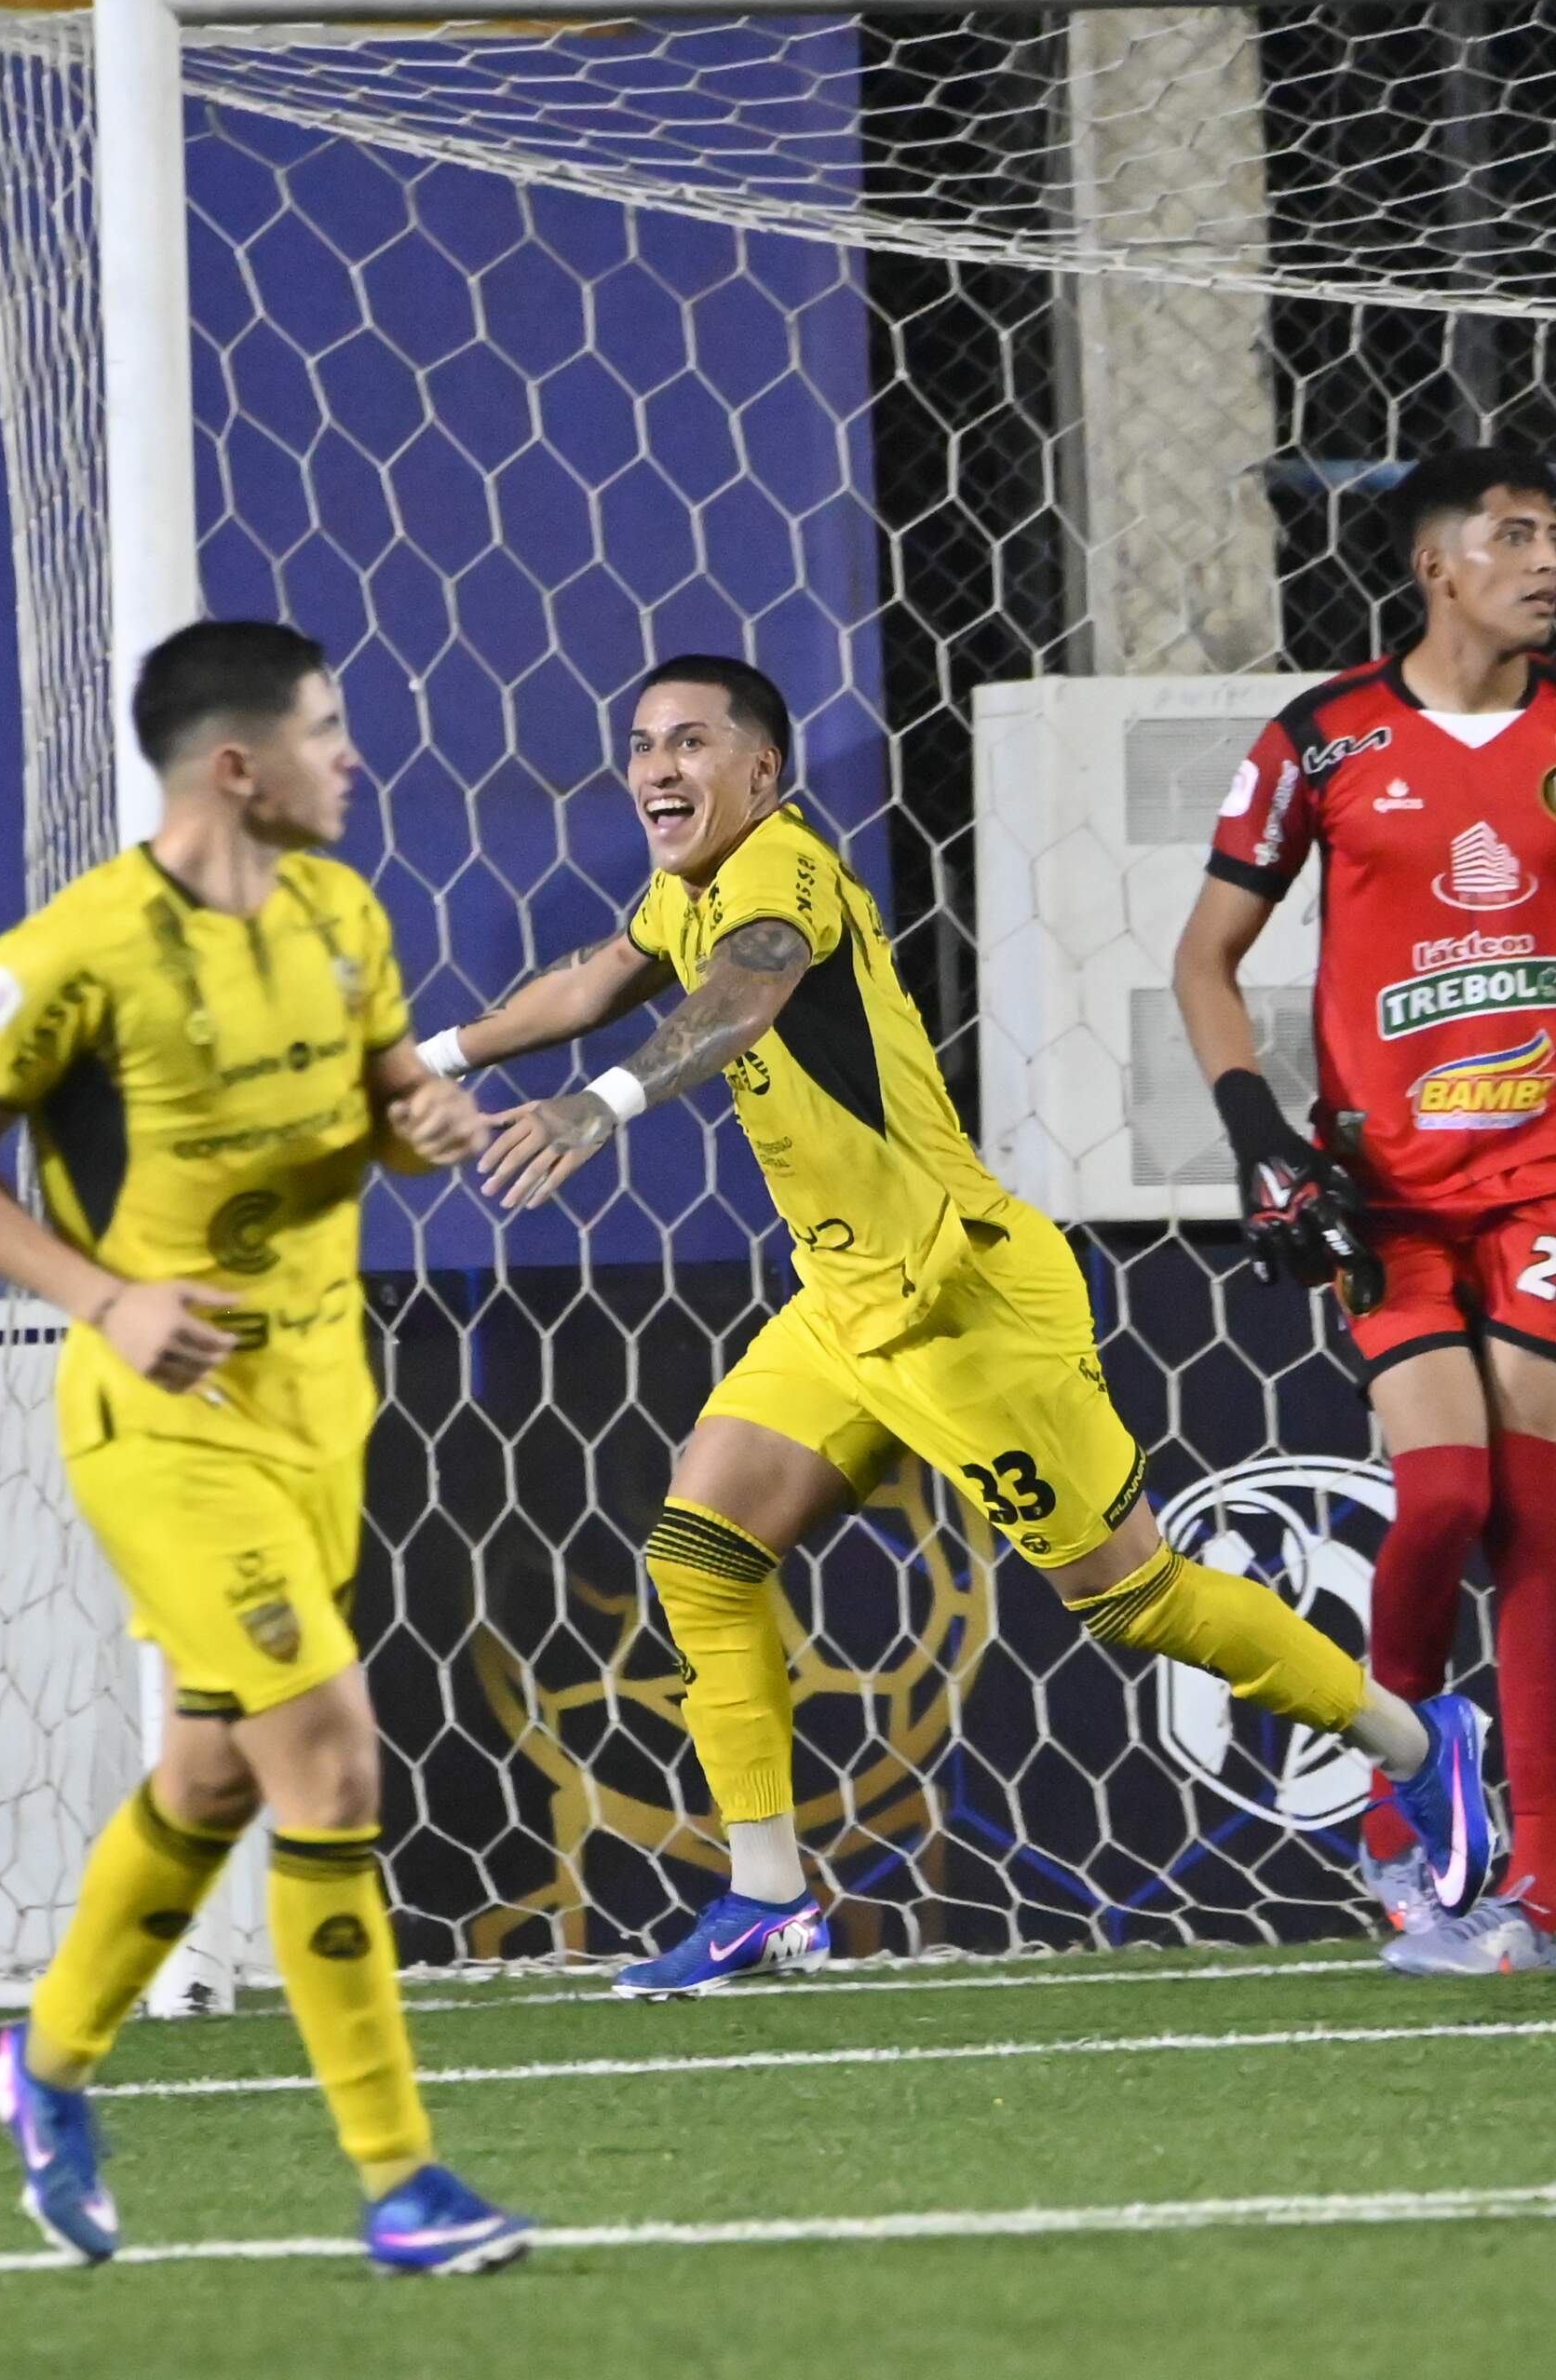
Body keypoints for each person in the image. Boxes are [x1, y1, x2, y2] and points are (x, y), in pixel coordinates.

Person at [419, 652, 1494, 1996]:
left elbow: (744, 990)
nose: (656, 768)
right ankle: (766, 1895)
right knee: (701, 1548)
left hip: (961, 1297)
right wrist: (431, 1060)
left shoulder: (782, 874)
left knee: (1135, 1600)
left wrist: (603, 1105)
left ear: (764, 770)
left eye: (690, 742)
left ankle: (1420, 1743)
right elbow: (589, 985)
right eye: (641, 744)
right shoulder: (687, 888)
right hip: (846, 1299)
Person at [0, 619, 532, 2273]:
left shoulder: (342, 916)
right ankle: (401, 2183)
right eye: (327, 730)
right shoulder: (74, 953)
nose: (354, 758)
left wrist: (427, 1125)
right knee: (332, 1758)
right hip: (166, 1423)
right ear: (238, 767)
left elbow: (387, 1116)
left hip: (322, 1405)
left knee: (214, 1774)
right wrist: (104, 1298)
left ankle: (40, 2066)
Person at [1172, 444, 1556, 1979]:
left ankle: (1537, 1898)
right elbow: (1204, 961)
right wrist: (1260, 1141)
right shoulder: (1323, 740)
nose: (1549, 560)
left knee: (1528, 1505)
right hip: (1381, 1190)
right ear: (1436, 566)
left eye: (1554, 535)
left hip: (1550, 1171)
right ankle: (1400, 1805)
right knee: (1435, 1500)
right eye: (1513, 535)